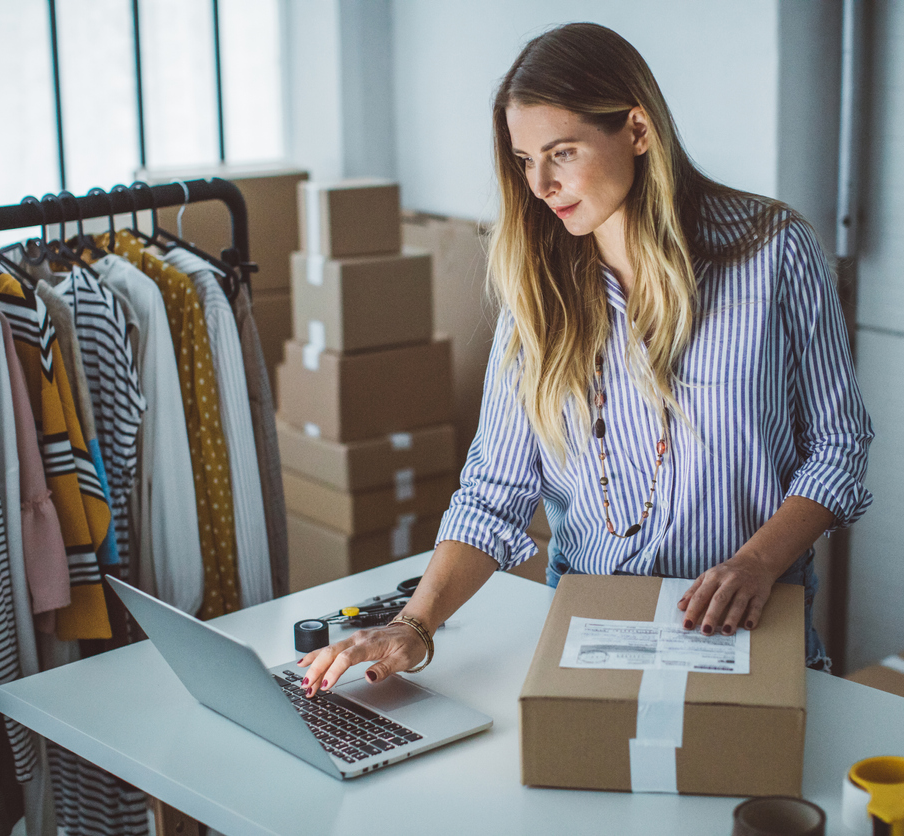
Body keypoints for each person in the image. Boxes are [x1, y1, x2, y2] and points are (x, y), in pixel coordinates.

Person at [298, 22, 873, 695]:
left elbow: (839, 446)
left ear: (636, 130)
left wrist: (755, 563)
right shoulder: (537, 292)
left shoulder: (775, 252)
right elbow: (494, 493)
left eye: (561, 152)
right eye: (523, 160)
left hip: (749, 621)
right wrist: (415, 626)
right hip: (593, 627)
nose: (540, 183)